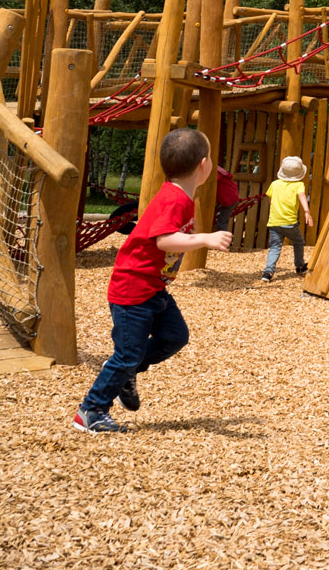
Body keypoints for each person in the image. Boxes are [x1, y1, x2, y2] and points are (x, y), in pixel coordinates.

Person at [73, 127, 231, 433]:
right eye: (210, 156)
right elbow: (163, 241)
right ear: (204, 165)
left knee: (175, 336)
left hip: (153, 288)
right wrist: (204, 238)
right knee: (127, 353)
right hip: (133, 289)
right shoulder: (173, 199)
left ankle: (127, 372)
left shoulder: (182, 196)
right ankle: (90, 410)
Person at [262, 156, 313, 281]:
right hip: (290, 223)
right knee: (298, 242)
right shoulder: (299, 185)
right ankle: (300, 266)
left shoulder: (275, 184)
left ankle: (267, 273)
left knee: (275, 247)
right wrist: (307, 211)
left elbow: (270, 199)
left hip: (274, 222)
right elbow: (302, 197)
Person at [213, 165, 242, 233]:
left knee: (222, 222)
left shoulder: (216, 174)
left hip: (229, 201)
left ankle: (223, 241)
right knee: (219, 219)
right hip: (232, 198)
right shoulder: (221, 172)